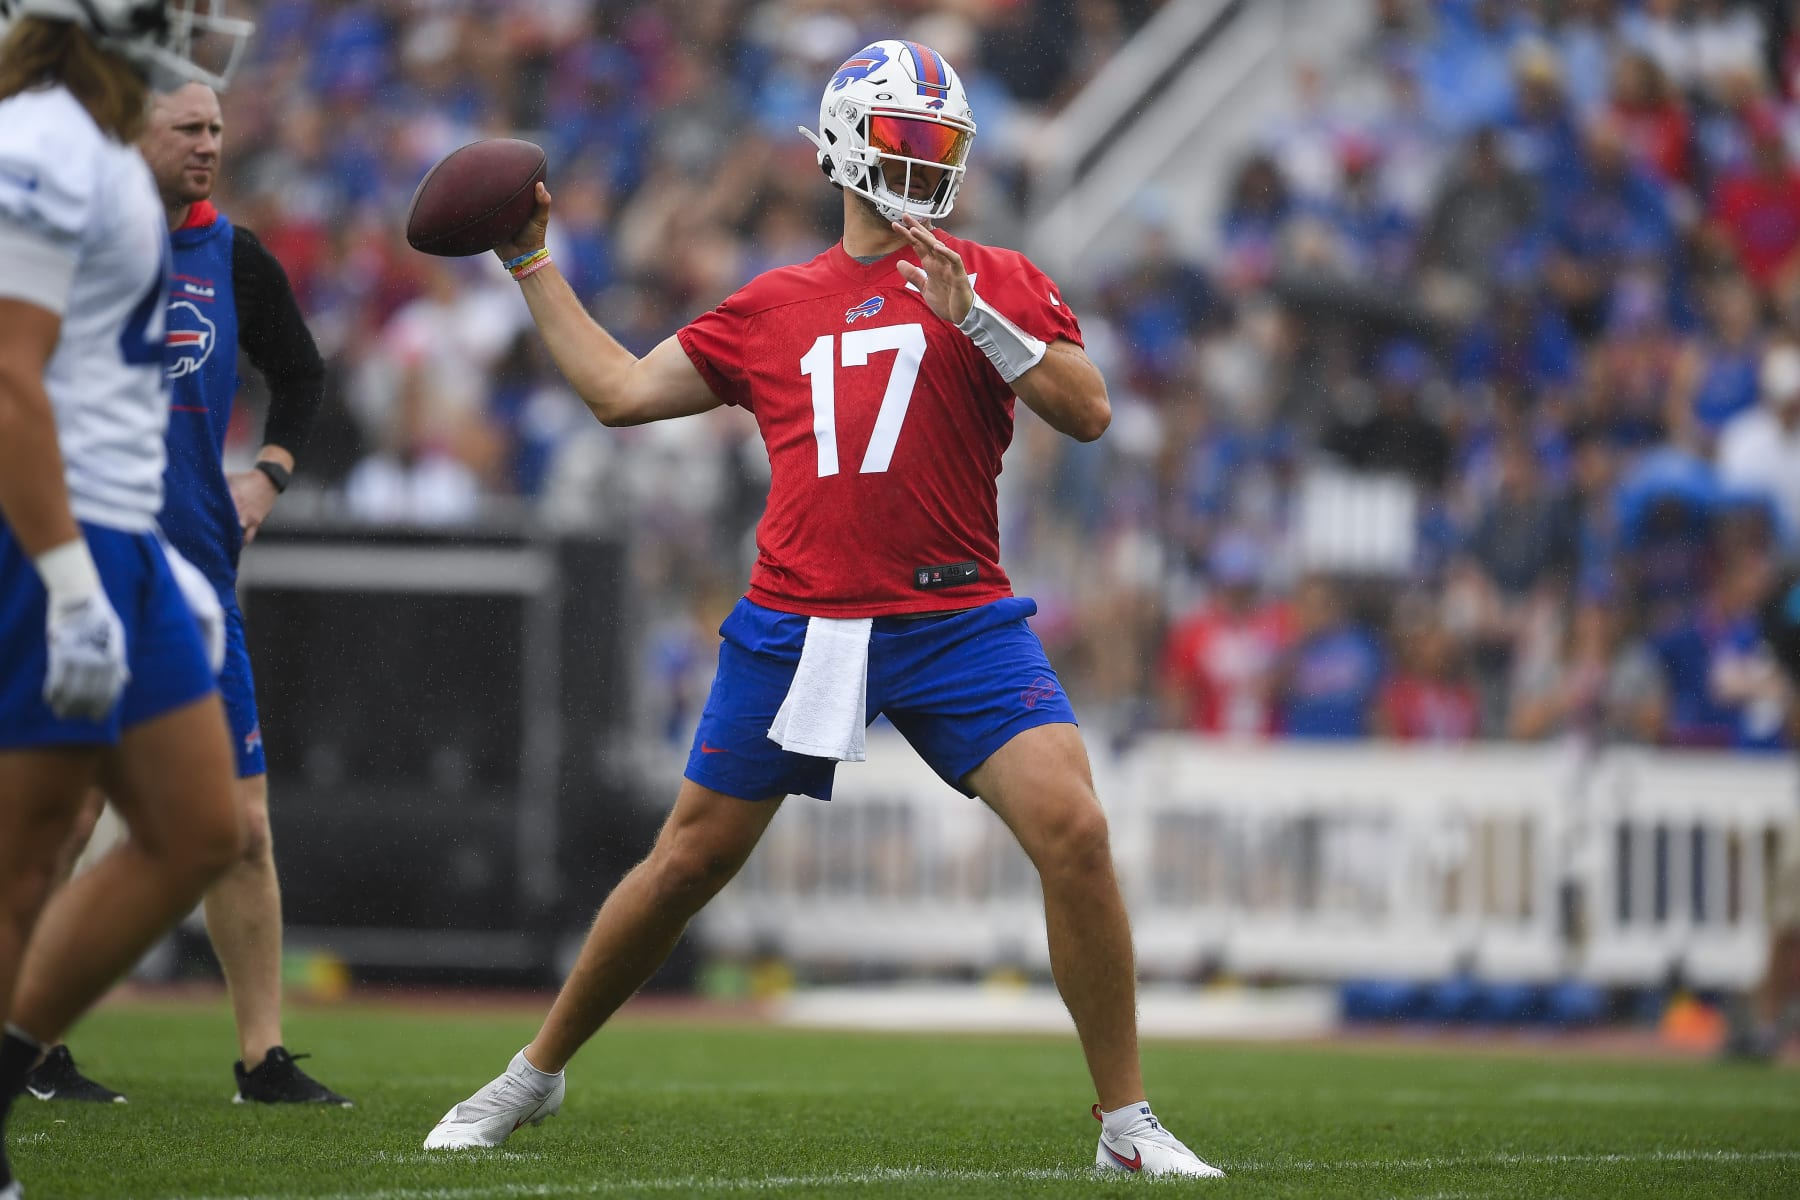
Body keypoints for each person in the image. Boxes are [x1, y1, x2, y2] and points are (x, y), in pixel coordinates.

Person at [422, 39, 1221, 1178]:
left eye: (940, 144)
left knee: (1077, 834)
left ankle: (1126, 1125)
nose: (925, 164)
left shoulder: (993, 274)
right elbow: (619, 390)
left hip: (954, 619)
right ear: (846, 146)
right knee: (686, 865)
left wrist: (980, 321)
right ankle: (533, 1072)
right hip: (802, 620)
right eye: (905, 139)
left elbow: (1088, 412)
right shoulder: (774, 303)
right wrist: (531, 260)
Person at [19, 79, 347, 1107]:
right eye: (187, 128)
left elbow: (302, 375)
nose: (208, 144)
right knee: (64, 816)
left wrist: (270, 473)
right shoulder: (63, 242)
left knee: (242, 827)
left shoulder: (232, 256)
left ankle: (263, 1060)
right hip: (74, 569)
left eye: (216, 129)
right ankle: (29, 1043)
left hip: (197, 578)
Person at [0, 1, 254, 1195]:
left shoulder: (94, 147)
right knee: (26, 854)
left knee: (202, 829)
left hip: (123, 535)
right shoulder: (42, 140)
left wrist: (153, 568)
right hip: (62, 537)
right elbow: (9, 378)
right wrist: (67, 577)